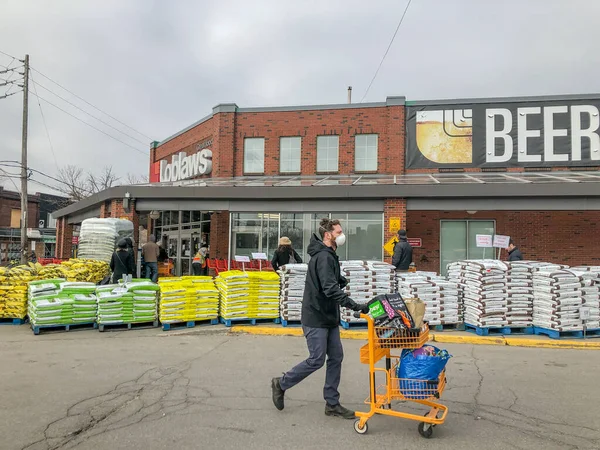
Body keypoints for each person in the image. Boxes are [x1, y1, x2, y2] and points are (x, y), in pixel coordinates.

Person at [271, 218, 370, 420]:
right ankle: (281, 383)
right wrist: (355, 306)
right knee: (316, 359)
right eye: (338, 232)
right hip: (316, 316)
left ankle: (332, 403)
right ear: (328, 235)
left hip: (328, 316)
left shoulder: (329, 256)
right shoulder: (324, 257)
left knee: (336, 357)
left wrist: (340, 280)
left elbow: (329, 282)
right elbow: (329, 288)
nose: (341, 235)